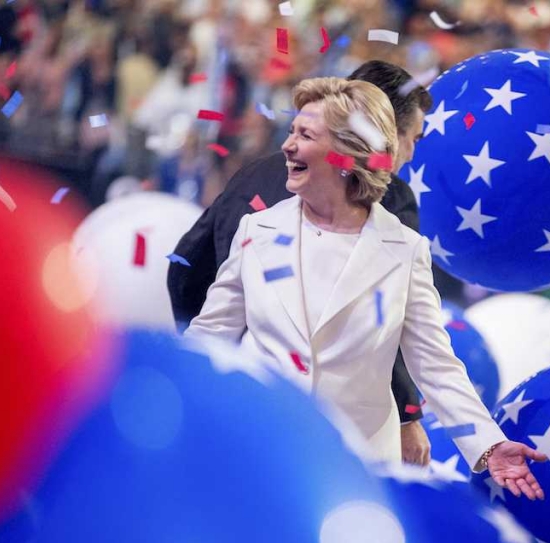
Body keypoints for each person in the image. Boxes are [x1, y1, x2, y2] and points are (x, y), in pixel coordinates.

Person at [185, 78, 547, 499]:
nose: (286, 146)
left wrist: (489, 445)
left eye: (305, 135)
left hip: (357, 474)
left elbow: (435, 363)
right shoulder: (257, 230)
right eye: (291, 131)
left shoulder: (405, 249)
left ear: (346, 155)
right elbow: (209, 340)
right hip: (256, 456)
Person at [169, 61, 432, 466]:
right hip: (330, 444)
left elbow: (186, 267)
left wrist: (213, 367)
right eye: (411, 138)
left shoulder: (254, 171)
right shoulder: (391, 197)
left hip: (256, 419)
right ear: (379, 135)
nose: (411, 152)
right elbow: (389, 329)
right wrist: (408, 415)